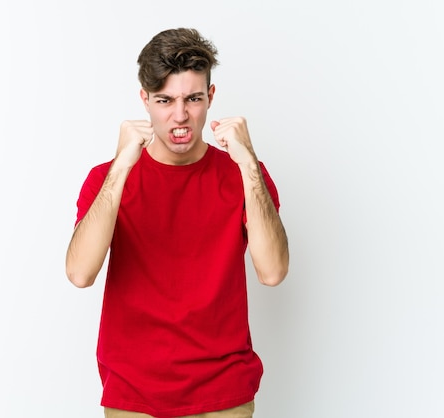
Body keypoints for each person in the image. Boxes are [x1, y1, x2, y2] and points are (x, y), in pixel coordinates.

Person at [65, 28, 289, 418]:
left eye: (193, 99)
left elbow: (272, 272)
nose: (181, 115)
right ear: (145, 101)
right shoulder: (109, 178)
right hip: (134, 392)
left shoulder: (244, 175)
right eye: (165, 100)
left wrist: (249, 160)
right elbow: (80, 274)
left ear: (211, 98)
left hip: (224, 390)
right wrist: (120, 167)